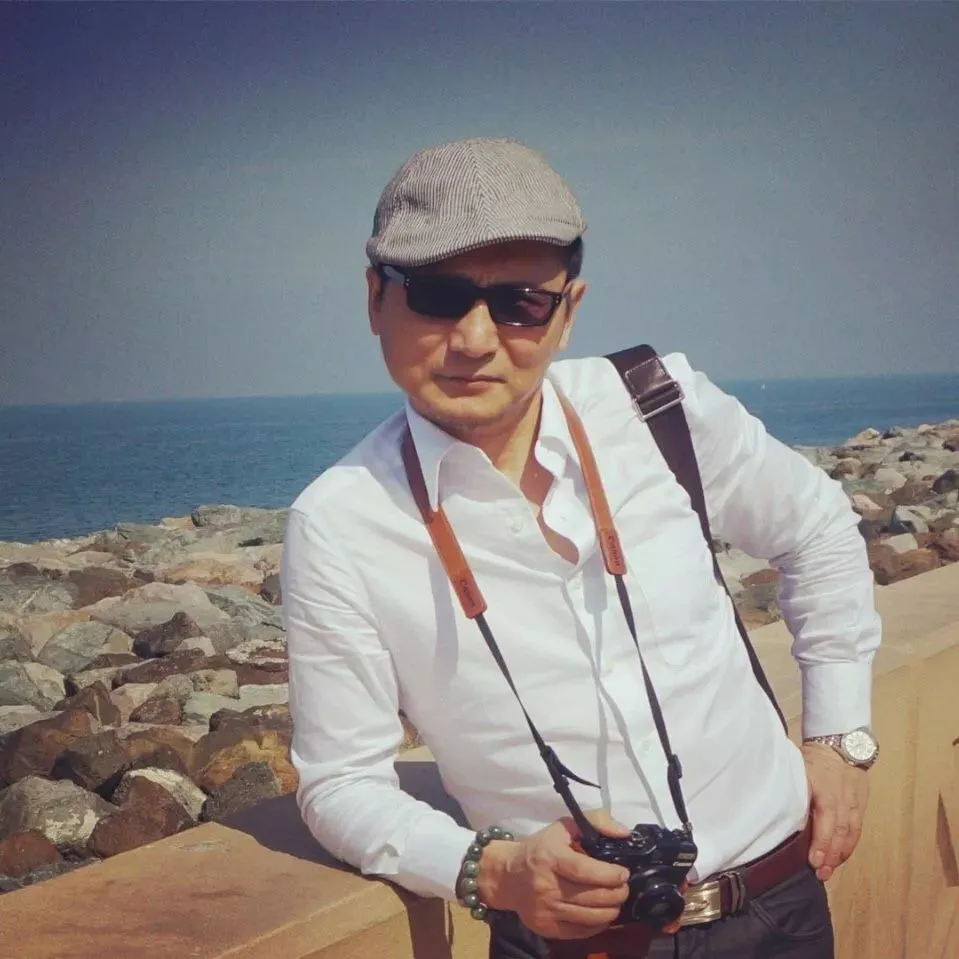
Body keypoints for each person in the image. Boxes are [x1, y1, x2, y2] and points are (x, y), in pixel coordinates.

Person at [281, 136, 881, 959]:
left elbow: (816, 527)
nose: (474, 338)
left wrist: (839, 736)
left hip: (779, 907)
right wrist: (490, 869)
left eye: (520, 303)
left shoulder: (654, 404)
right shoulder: (338, 522)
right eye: (438, 295)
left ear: (567, 312)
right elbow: (340, 782)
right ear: (375, 298)